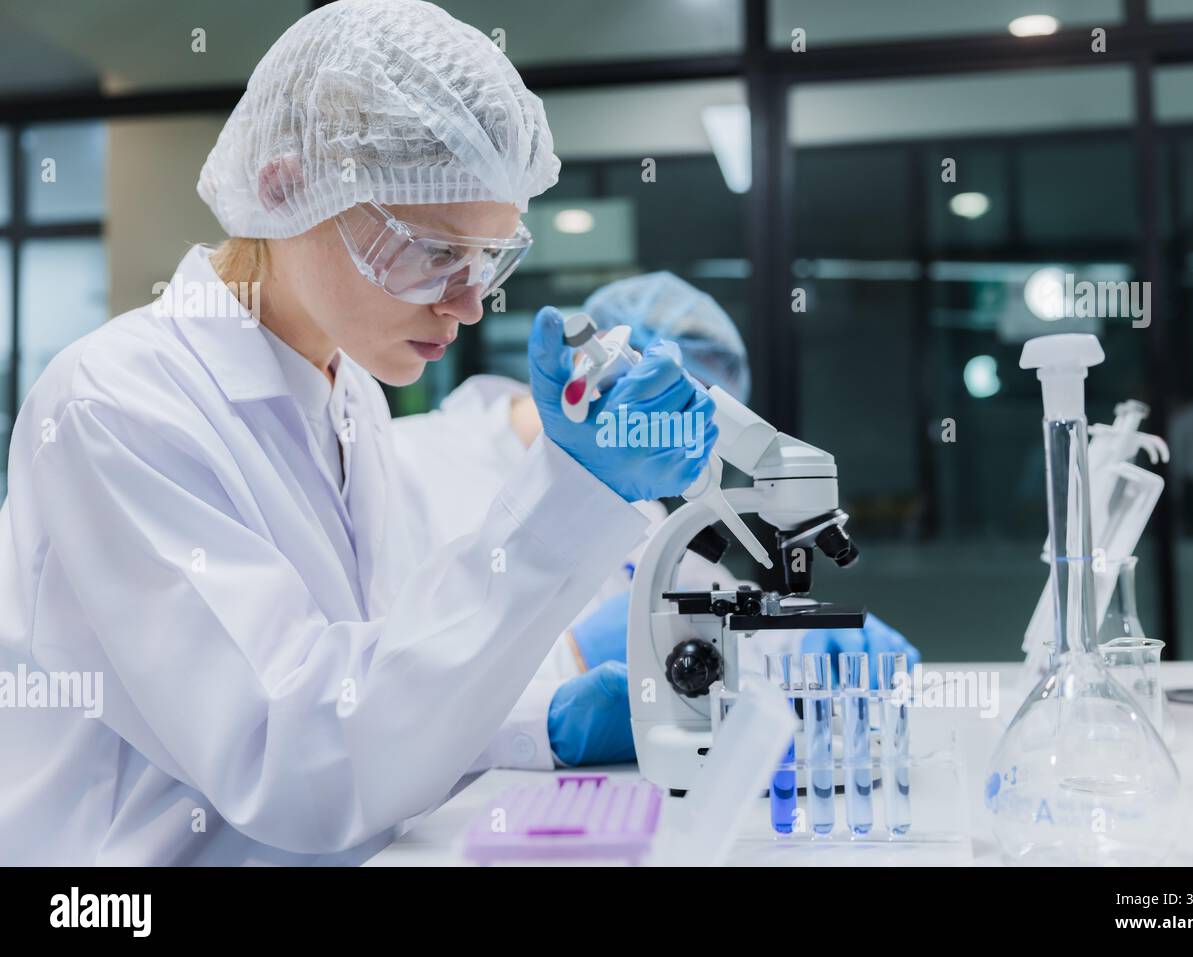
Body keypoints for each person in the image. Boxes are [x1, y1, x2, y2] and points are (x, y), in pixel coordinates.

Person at [0, 0, 715, 865]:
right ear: (283, 186)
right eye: (428, 252)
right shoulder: (114, 407)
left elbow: (374, 701)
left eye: (486, 261)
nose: (463, 303)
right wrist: (569, 492)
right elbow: (298, 762)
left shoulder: (349, 394)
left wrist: (536, 725)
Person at [391, 273, 918, 769]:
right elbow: (394, 709)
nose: (688, 454)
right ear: (605, 371)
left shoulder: (641, 502)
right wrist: (561, 690)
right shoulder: (409, 464)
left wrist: (802, 644)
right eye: (679, 418)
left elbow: (720, 614)